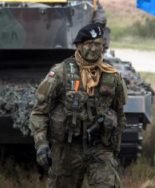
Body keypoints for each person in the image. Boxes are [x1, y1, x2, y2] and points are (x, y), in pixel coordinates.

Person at [30, 23, 127, 188]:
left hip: (100, 148)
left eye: (98, 44)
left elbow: (119, 113)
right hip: (67, 150)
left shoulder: (112, 76)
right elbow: (39, 113)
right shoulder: (61, 74)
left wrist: (114, 148)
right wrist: (42, 144)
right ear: (79, 46)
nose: (94, 49)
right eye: (89, 44)